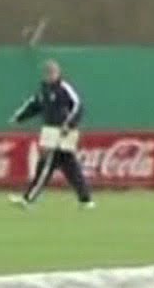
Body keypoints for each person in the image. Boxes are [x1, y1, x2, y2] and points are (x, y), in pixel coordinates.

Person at [8, 59, 94, 209]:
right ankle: (85, 199)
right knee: (69, 165)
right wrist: (18, 118)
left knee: (47, 163)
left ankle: (29, 199)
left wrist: (69, 124)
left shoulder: (64, 88)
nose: (50, 76)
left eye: (53, 72)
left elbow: (78, 106)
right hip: (49, 131)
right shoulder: (43, 91)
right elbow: (33, 106)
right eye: (47, 73)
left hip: (62, 131)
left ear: (58, 73)